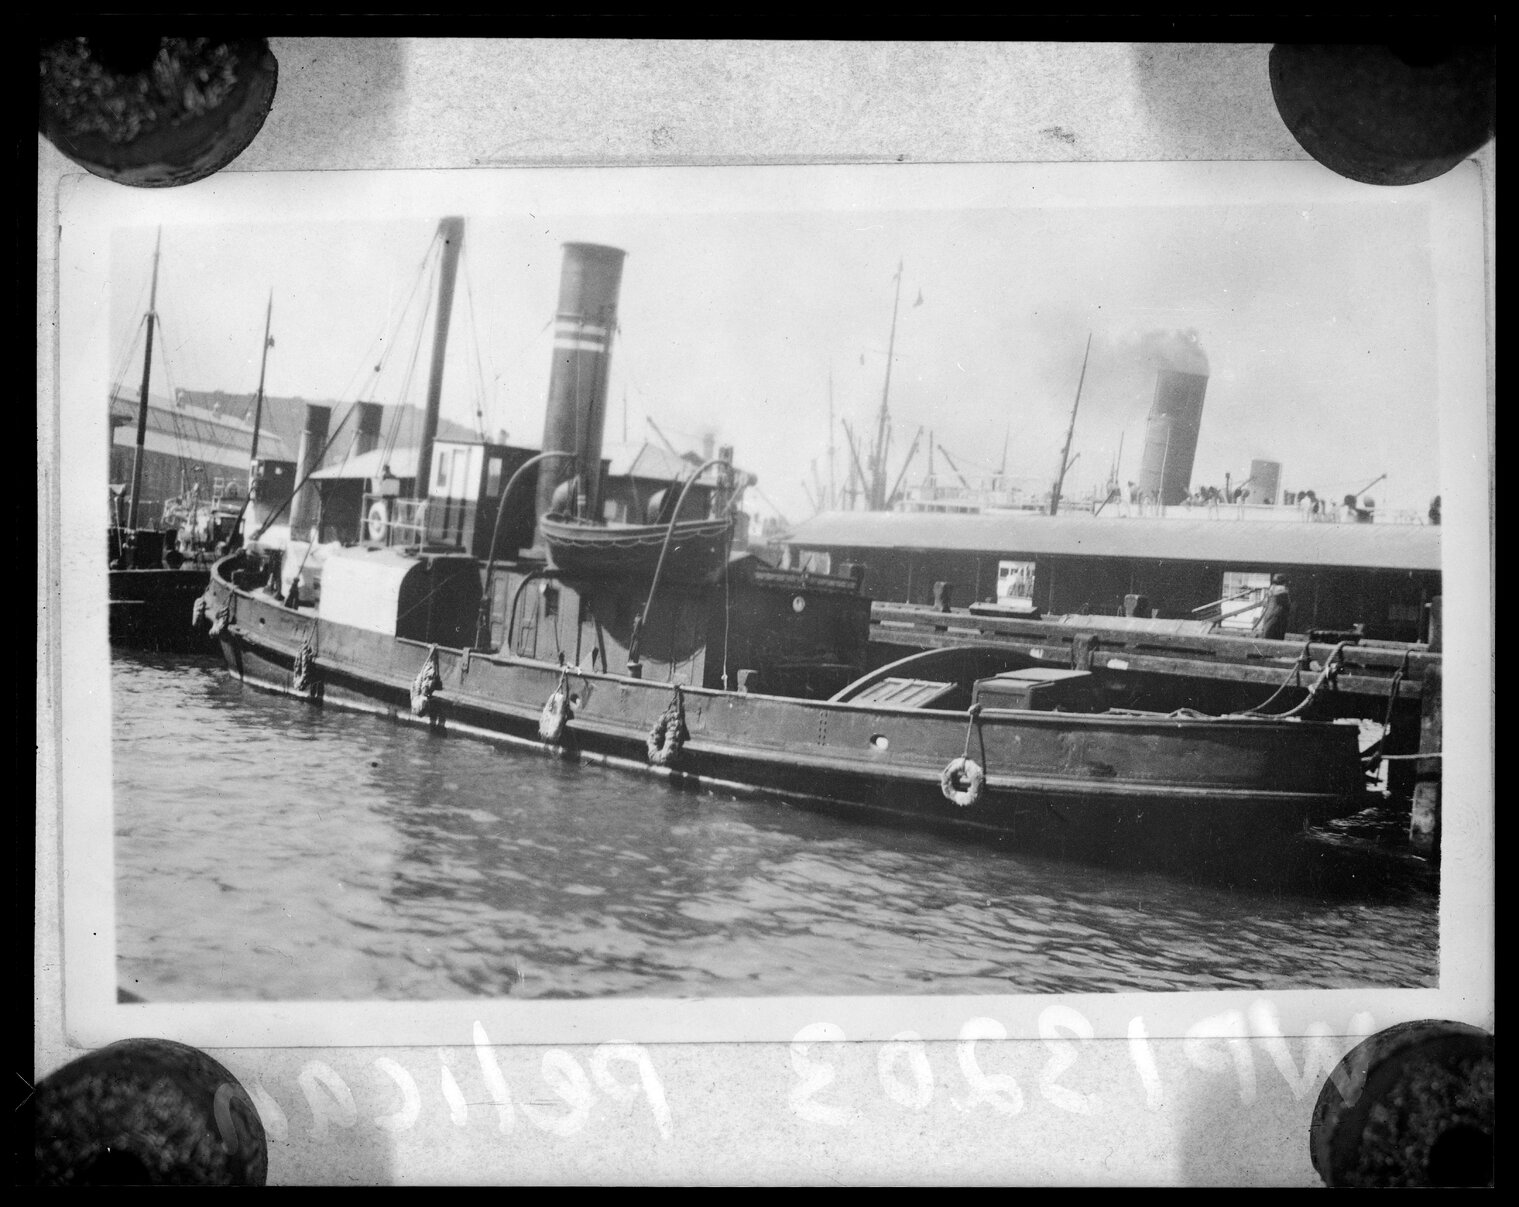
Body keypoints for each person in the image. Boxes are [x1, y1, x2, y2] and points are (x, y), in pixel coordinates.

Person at [1252, 573, 1291, 640]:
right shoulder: (1283, 589)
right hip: (1278, 612)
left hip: (1269, 611)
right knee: (1277, 633)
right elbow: (1286, 604)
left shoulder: (1272, 588)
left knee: (1268, 630)